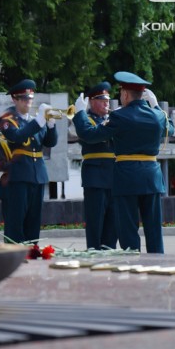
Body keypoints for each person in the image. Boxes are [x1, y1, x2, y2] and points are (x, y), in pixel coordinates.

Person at [73, 71, 172, 253]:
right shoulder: (157, 116)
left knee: (128, 233)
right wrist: (156, 106)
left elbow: (89, 135)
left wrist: (80, 113)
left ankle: (132, 269)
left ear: (125, 94)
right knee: (154, 232)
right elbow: (170, 129)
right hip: (151, 176)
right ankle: (158, 267)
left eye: (120, 94)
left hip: (127, 177)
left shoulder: (120, 117)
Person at [0, 79, 58, 244]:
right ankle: (14, 252)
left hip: (37, 174)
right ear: (14, 99)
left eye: (30, 98)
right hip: (18, 174)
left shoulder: (35, 120)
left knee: (34, 218)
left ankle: (32, 250)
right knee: (16, 219)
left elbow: (50, 143)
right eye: (24, 98)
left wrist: (51, 126)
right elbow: (17, 136)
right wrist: (38, 122)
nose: (28, 101)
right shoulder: (7, 120)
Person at [75, 82, 117, 250]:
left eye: (107, 99)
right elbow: (87, 135)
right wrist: (79, 113)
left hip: (114, 177)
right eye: (101, 99)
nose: (106, 103)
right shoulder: (86, 120)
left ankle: (109, 253)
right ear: (91, 102)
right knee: (95, 224)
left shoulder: (112, 120)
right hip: (96, 178)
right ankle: (93, 255)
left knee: (112, 225)